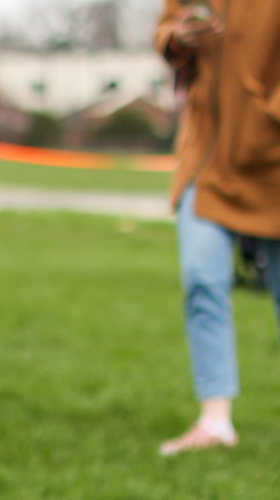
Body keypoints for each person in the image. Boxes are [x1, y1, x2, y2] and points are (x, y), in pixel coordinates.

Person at [154, 0, 280, 456]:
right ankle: (215, 419)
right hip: (204, 158)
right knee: (202, 278)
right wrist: (178, 37)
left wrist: (267, 111)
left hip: (273, 159)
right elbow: (166, 26)